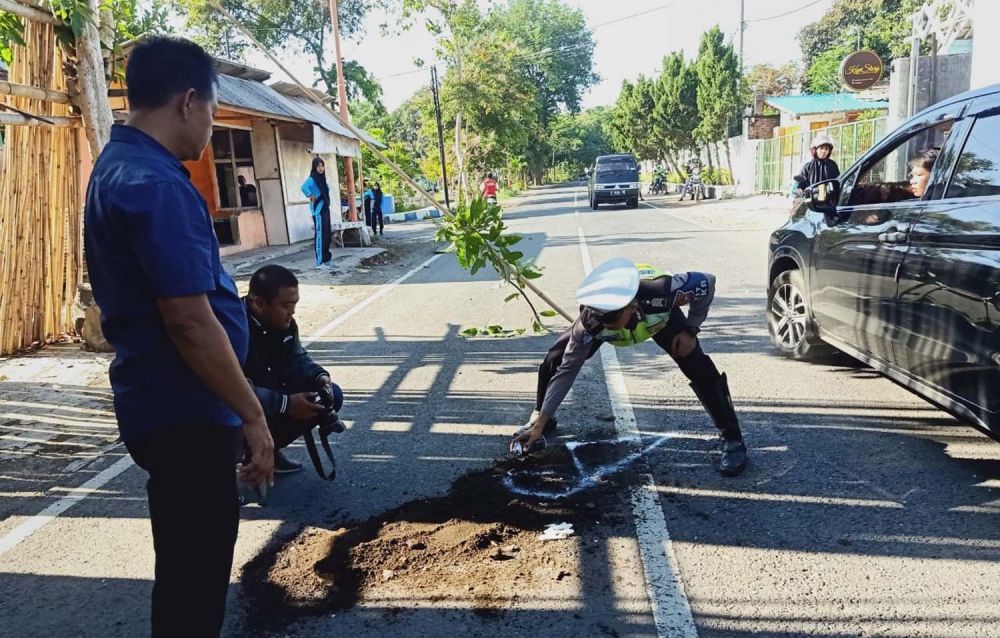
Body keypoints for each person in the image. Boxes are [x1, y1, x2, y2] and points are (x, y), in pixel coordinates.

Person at [83, 36, 274, 637]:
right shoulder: (158, 185)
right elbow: (190, 323)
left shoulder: (118, 166)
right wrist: (253, 416)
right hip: (186, 411)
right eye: (216, 113)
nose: (213, 130)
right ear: (189, 102)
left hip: (158, 405)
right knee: (195, 579)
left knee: (184, 572)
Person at [513, 258, 748, 476]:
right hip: (626, 318)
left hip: (660, 321)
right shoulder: (591, 322)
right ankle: (543, 419)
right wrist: (541, 422)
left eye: (613, 325)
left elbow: (708, 281)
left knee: (698, 365)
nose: (611, 331)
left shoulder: (663, 292)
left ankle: (732, 437)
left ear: (632, 307)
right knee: (556, 359)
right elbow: (567, 370)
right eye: (605, 325)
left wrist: (691, 328)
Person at [243, 265, 345, 475]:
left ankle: (271, 450)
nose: (292, 312)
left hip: (271, 398)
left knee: (330, 395)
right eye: (286, 305)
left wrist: (319, 376)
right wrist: (285, 404)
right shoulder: (234, 327)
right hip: (237, 406)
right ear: (259, 303)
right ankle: (237, 465)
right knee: (224, 418)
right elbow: (230, 386)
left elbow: (298, 358)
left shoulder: (286, 324)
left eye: (295, 305)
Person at [301, 157, 333, 270]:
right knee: (320, 235)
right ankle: (319, 262)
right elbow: (303, 187)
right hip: (318, 211)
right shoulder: (312, 178)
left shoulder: (322, 179)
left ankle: (326, 259)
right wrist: (310, 195)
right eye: (318, 166)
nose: (321, 168)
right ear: (315, 167)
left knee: (327, 234)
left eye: (322, 166)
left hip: (325, 209)